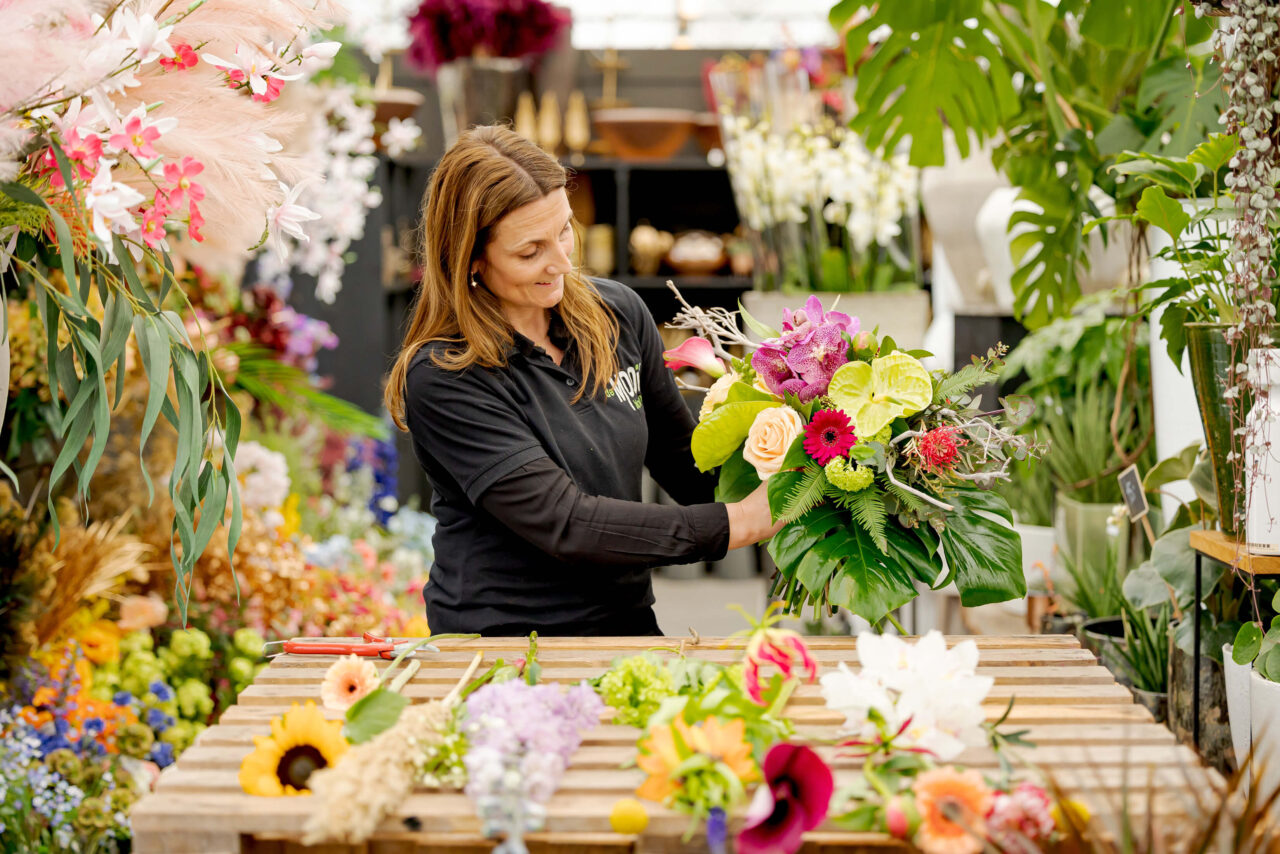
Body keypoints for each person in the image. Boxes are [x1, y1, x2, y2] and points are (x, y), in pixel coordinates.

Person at [384, 125, 780, 637]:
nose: (562, 263)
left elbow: (687, 463)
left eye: (565, 230)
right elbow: (567, 523)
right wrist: (740, 523)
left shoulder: (615, 313)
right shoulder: (446, 375)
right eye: (530, 252)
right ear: (472, 258)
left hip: (625, 622)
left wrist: (803, 475)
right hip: (502, 642)